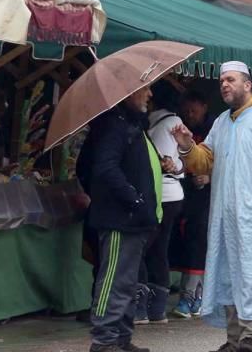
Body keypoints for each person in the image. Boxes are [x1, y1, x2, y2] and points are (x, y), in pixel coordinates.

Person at [171, 62, 252, 352]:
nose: (224, 84)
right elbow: (204, 162)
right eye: (222, 80)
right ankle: (234, 340)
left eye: (231, 80)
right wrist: (187, 145)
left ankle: (250, 339)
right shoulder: (222, 122)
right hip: (225, 217)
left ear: (247, 84)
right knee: (228, 273)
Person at [77, 84, 163, 352]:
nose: (150, 95)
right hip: (119, 220)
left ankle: (122, 338)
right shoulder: (112, 125)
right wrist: (133, 198)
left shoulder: (131, 124)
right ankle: (104, 340)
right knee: (113, 280)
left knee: (127, 283)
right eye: (145, 89)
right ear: (128, 92)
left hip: (135, 220)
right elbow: (105, 168)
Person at [141, 88, 185, 323]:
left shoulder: (166, 124)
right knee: (158, 249)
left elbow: (178, 161)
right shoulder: (167, 122)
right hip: (169, 194)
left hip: (164, 195)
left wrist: (174, 166)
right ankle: (155, 308)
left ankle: (148, 307)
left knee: (151, 248)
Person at [172, 90, 213, 319]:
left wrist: (210, 176)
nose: (189, 115)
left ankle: (192, 296)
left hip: (208, 198)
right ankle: (192, 294)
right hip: (185, 195)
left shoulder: (216, 129)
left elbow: (227, 161)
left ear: (205, 107)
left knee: (200, 240)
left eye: (193, 111)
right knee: (187, 241)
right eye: (186, 110)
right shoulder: (181, 129)